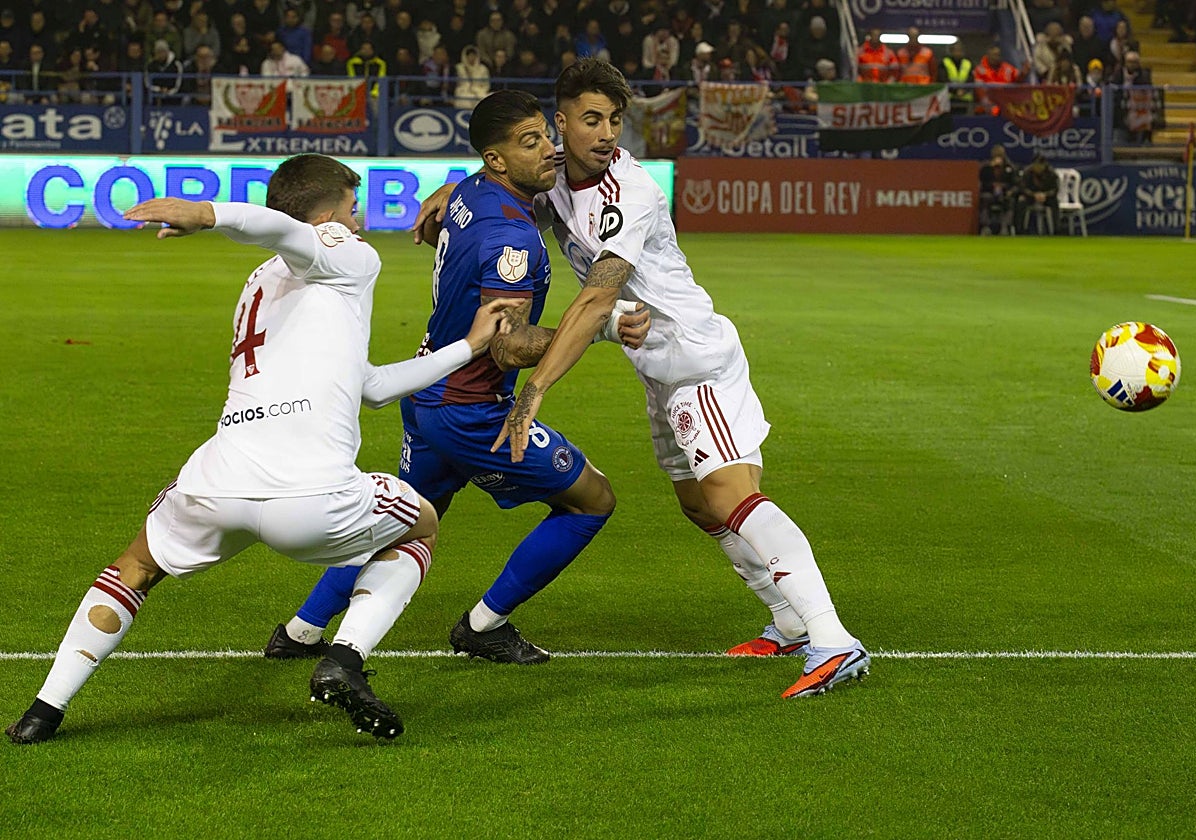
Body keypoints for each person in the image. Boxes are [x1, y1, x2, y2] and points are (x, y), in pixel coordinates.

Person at [5, 154, 517, 745]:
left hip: (218, 481)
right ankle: (346, 659)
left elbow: (370, 388)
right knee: (421, 525)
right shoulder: (345, 251)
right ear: (328, 214)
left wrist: (467, 347)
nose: (360, 223)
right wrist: (205, 212)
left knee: (135, 568)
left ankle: (45, 708)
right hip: (311, 496)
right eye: (353, 210)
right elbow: (289, 230)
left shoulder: (259, 284)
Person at [423, 60, 870, 699]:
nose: (606, 133)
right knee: (698, 506)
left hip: (695, 359)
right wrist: (452, 187)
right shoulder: (551, 178)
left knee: (728, 496)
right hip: (658, 368)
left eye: (614, 121)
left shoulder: (631, 193)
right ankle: (789, 621)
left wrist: (535, 391)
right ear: (560, 123)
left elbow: (596, 301)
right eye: (591, 119)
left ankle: (833, 639)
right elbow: (497, 171)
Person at [263, 91, 650, 666]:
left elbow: (465, 193)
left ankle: (299, 630)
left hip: (427, 390)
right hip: (471, 408)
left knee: (399, 519)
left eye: (546, 134)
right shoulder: (511, 238)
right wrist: (599, 328)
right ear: (497, 160)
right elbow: (509, 343)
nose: (551, 150)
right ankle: (484, 625)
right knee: (591, 500)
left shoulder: (468, 190)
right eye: (532, 142)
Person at [978, 144, 1018, 235]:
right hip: (990, 193)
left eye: (1000, 154)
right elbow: (982, 182)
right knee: (984, 199)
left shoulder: (1010, 168)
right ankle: (986, 226)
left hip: (1005, 194)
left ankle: (1005, 226)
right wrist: (990, 168)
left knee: (1010, 201)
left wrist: (1010, 191)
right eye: (996, 154)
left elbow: (1015, 184)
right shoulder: (985, 167)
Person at [1018, 153, 1060, 233]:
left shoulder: (1051, 174)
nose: (1038, 167)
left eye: (1040, 165)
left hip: (1046, 197)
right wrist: (1033, 195)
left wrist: (1045, 195)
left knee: (1055, 202)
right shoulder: (1027, 173)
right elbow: (1023, 188)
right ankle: (1020, 230)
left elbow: (1055, 189)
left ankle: (1057, 229)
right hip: (1031, 196)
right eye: (1036, 165)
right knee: (1021, 201)